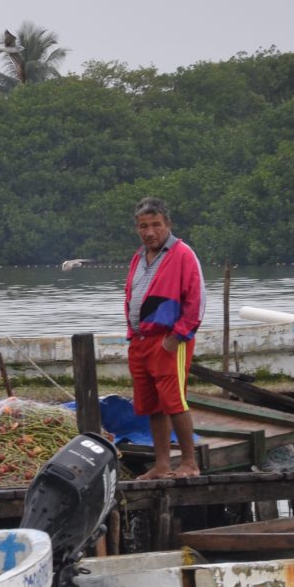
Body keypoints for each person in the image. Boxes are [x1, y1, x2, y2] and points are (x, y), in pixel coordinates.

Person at [123, 196, 204, 479]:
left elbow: (196, 302)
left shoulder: (182, 254)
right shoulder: (138, 258)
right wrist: (133, 336)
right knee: (151, 404)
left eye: (156, 225)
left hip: (169, 340)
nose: (150, 232)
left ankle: (189, 463)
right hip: (140, 340)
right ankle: (161, 465)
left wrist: (177, 337)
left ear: (167, 224)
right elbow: (132, 296)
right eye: (144, 226)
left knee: (174, 401)